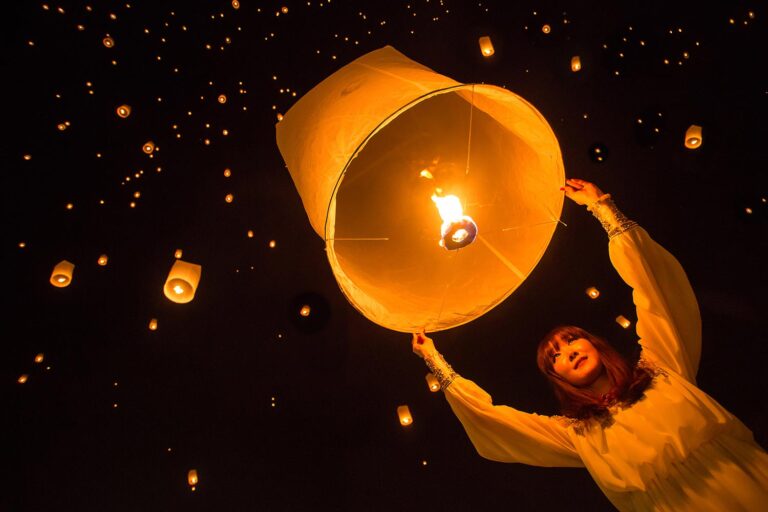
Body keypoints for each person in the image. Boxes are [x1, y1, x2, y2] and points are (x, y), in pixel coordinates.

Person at [411, 178, 768, 511]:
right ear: (557, 377)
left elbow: (655, 292)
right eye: (555, 357)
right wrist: (433, 359)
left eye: (571, 340)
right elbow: (496, 423)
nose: (568, 352)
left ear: (594, 343)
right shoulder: (578, 435)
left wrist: (601, 207)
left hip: (748, 482)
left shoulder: (663, 369)